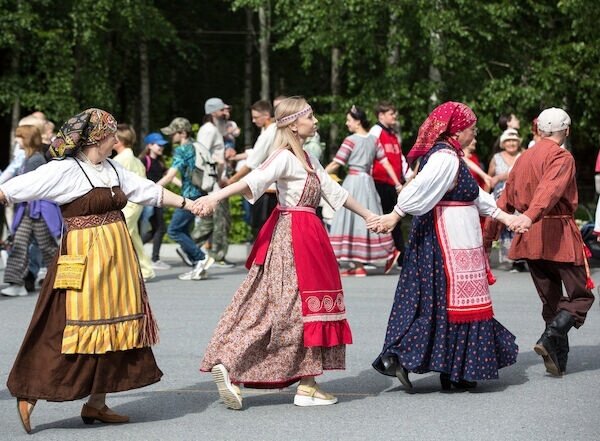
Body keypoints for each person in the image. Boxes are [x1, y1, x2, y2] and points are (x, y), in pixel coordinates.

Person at [0, 108, 196, 434]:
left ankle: (97, 403)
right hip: (83, 258)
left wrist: (190, 204)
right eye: (111, 134)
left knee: (115, 331)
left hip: (117, 261)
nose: (116, 139)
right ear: (96, 137)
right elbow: (14, 188)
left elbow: (149, 191)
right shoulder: (64, 170)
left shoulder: (112, 168)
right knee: (63, 326)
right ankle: (29, 391)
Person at [195, 97, 376, 409]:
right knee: (286, 309)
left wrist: (370, 217)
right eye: (311, 116)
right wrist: (214, 196)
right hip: (293, 236)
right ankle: (230, 363)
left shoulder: (306, 158)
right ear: (294, 123)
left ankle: (308, 384)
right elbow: (252, 180)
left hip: (310, 235)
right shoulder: (283, 157)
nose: (316, 121)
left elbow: (336, 192)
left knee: (306, 309)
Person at [370, 102, 518, 391]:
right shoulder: (445, 158)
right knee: (445, 304)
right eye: (472, 129)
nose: (475, 134)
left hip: (452, 236)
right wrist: (396, 214)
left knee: (439, 303)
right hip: (445, 239)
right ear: (458, 130)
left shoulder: (449, 156)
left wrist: (506, 218)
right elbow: (419, 188)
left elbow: (475, 196)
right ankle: (427, 363)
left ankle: (446, 369)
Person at [485, 107, 595, 377]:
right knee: (581, 296)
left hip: (530, 237)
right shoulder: (561, 156)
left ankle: (558, 359)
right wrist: (532, 215)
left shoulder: (522, 159)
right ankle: (551, 336)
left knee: (551, 301)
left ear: (540, 130)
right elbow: (550, 190)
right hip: (556, 233)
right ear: (566, 131)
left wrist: (489, 235)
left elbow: (503, 200)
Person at [326, 105, 402, 276]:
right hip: (368, 183)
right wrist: (397, 183)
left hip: (353, 182)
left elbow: (337, 162)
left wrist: (320, 174)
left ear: (358, 121)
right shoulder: (374, 140)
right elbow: (385, 163)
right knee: (368, 218)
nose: (347, 124)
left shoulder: (351, 140)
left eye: (349, 120)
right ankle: (366, 261)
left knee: (351, 219)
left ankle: (367, 260)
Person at [1, 125, 61, 297]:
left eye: (19, 136)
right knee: (19, 243)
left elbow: (30, 187)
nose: (15, 140)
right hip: (29, 209)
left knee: (47, 247)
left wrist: (9, 196)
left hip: (38, 210)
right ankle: (17, 282)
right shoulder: (29, 158)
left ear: (26, 138)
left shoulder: (35, 160)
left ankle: (62, 279)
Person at [158, 117, 214, 280]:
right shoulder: (197, 147)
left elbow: (170, 176)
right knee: (183, 230)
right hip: (199, 192)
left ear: (182, 133)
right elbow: (187, 177)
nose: (171, 137)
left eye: (173, 133)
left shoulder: (182, 150)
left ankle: (201, 258)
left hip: (190, 196)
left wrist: (152, 189)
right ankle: (198, 266)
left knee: (174, 230)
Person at [228, 99, 278, 237]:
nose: (253, 121)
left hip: (268, 190)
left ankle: (262, 258)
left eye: (256, 117)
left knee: (262, 230)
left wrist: (232, 181)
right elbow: (255, 153)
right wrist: (236, 157)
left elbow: (252, 163)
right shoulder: (274, 130)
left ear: (266, 115)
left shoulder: (268, 133)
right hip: (274, 188)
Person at [369, 101, 409, 269]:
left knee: (395, 219)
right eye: (391, 114)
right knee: (384, 218)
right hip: (379, 182)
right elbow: (369, 155)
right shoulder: (375, 132)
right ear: (381, 115)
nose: (395, 117)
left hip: (393, 183)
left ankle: (400, 255)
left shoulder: (393, 135)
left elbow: (400, 158)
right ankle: (394, 255)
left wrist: (405, 178)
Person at [113, 124, 155, 282]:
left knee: (122, 235)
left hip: (129, 203)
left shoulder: (123, 159)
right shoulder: (134, 159)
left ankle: (123, 271)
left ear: (120, 140)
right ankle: (146, 269)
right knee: (133, 235)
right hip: (135, 203)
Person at [194, 97, 233, 267]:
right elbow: (202, 155)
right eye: (222, 109)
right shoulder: (209, 130)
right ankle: (218, 256)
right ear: (213, 112)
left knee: (210, 220)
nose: (226, 112)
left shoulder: (213, 129)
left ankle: (190, 246)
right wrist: (215, 176)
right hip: (214, 183)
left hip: (215, 181)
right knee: (221, 220)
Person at [488, 128, 526, 272]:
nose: (511, 143)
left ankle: (520, 258)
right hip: (502, 196)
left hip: (520, 196)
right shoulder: (496, 158)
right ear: (503, 143)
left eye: (514, 141)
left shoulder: (524, 155)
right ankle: (510, 257)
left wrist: (502, 176)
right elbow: (490, 178)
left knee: (520, 225)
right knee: (506, 228)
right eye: (508, 141)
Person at [139, 132, 172, 270]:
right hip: (148, 199)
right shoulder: (143, 160)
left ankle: (135, 249)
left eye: (162, 146)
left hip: (158, 198)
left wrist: (183, 185)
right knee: (158, 228)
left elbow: (170, 175)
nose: (161, 148)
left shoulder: (160, 161)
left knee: (157, 229)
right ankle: (154, 259)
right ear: (150, 145)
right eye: (159, 145)